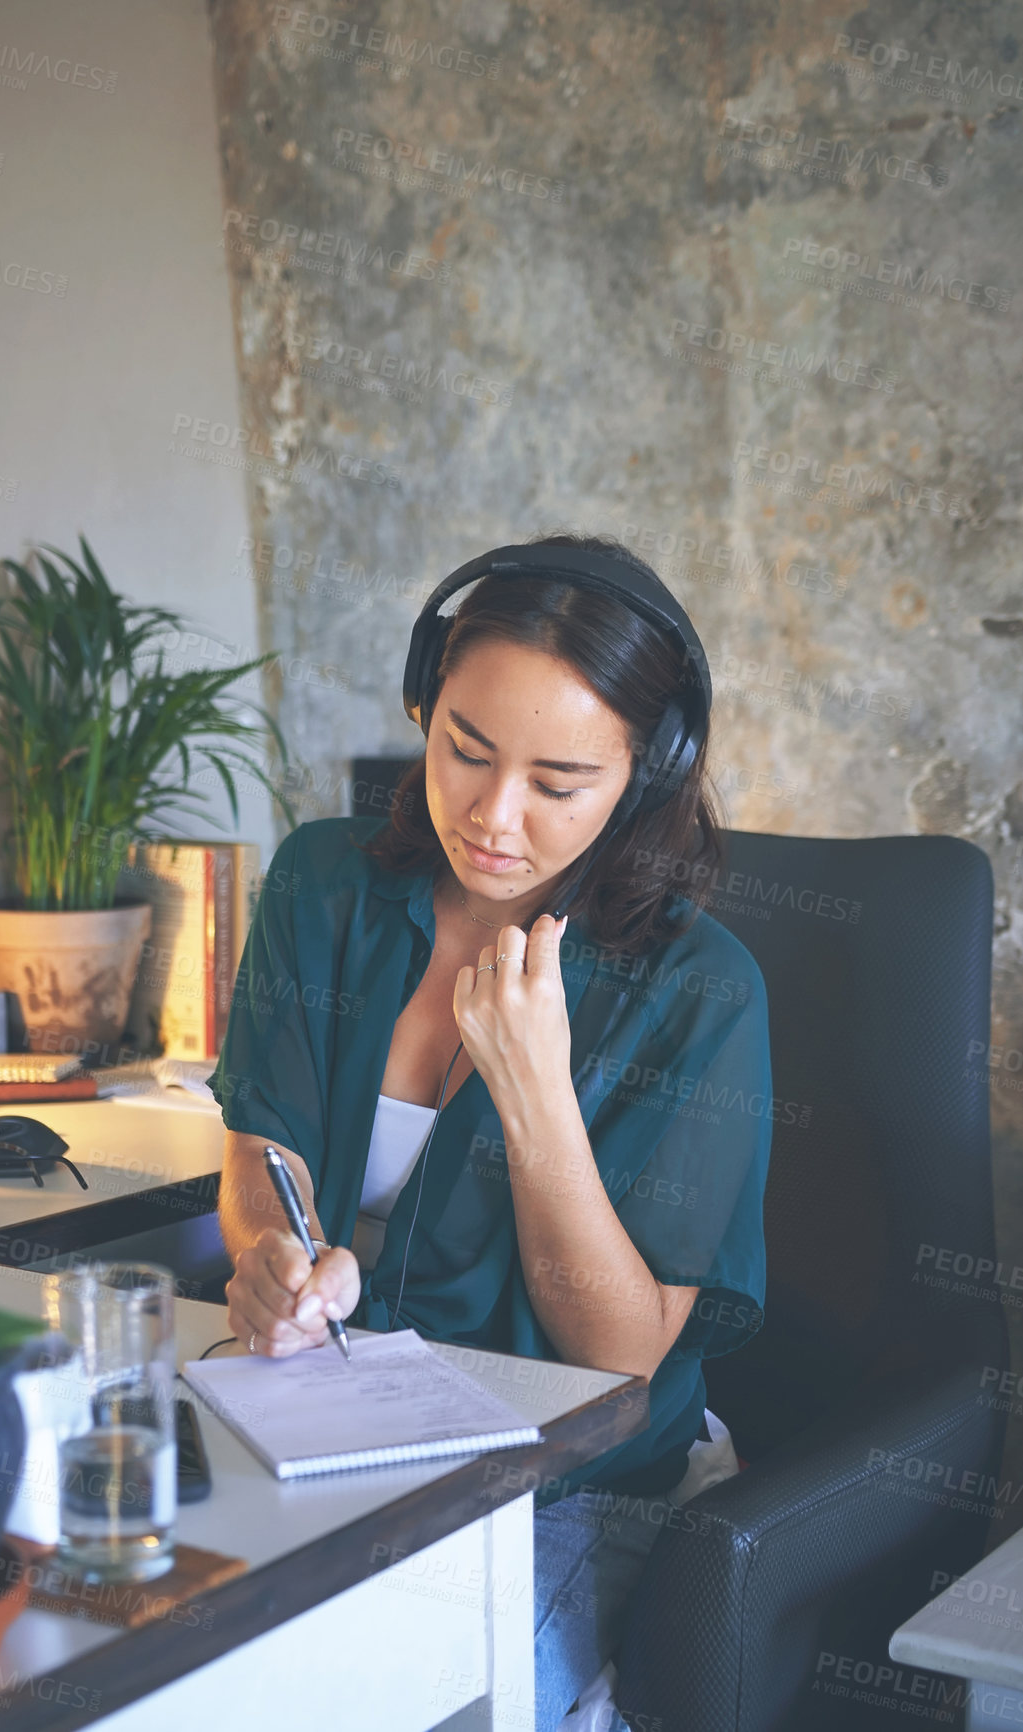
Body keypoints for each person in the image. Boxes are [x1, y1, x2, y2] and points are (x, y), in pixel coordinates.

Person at [208, 531, 773, 1731]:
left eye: (558, 784)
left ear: (646, 775)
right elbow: (267, 1152)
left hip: (569, 1487)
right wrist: (270, 1248)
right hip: (333, 1443)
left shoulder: (702, 992)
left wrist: (535, 1094)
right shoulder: (323, 883)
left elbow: (618, 1354)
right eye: (463, 749)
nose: (494, 816)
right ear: (425, 701)